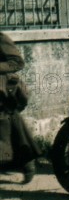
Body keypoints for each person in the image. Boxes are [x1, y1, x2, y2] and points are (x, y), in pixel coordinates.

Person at [0, 31, 41, 183]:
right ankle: (25, 161)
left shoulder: (1, 38)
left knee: (9, 126)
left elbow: (17, 62)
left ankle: (26, 162)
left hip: (3, 90)